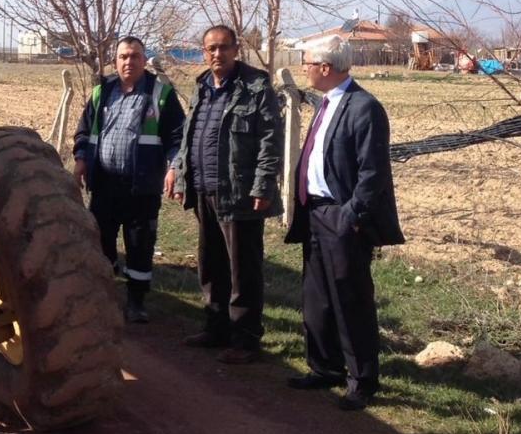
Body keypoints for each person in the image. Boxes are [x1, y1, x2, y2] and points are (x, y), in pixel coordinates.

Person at [284, 36, 404, 410]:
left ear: (325, 68)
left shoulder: (363, 107)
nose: (303, 68)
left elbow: (374, 173)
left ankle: (362, 380)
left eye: (307, 62)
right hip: (315, 213)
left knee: (351, 300)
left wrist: (352, 217)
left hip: (342, 216)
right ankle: (325, 368)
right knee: (317, 298)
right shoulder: (326, 103)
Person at [171, 25, 283, 364]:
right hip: (204, 188)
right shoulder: (202, 87)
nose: (217, 54)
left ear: (236, 49)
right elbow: (189, 136)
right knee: (211, 263)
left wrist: (263, 184)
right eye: (211, 49)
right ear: (203, 52)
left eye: (223, 47)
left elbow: (270, 140)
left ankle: (245, 339)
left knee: (243, 270)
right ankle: (215, 327)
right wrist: (179, 174)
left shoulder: (256, 86)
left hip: (240, 193)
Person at [73, 36, 185, 324]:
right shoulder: (101, 92)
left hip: (142, 186)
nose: (128, 61)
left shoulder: (161, 94)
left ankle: (136, 301)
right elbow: (85, 131)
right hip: (105, 184)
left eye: (135, 56)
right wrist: (81, 159)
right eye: (123, 56)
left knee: (139, 244)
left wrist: (174, 167)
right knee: (99, 241)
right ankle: (104, 291)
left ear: (143, 59)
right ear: (115, 61)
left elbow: (177, 137)